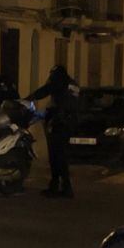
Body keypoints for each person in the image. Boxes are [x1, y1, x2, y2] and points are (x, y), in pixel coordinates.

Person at [31, 65, 80, 198]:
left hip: (60, 123)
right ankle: (61, 185)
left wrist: (29, 98)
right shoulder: (72, 84)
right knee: (60, 155)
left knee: (57, 156)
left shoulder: (60, 83)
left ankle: (61, 187)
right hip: (68, 123)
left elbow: (45, 90)